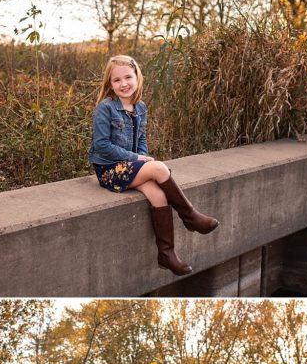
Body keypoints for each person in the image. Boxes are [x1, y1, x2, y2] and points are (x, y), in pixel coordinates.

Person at [89, 55, 219, 276]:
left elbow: (141, 139)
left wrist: (142, 157)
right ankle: (190, 217)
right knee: (159, 168)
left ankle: (166, 254)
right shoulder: (106, 108)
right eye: (117, 80)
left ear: (137, 77)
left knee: (158, 196)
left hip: (130, 167)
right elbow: (101, 146)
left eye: (128, 77)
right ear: (110, 83)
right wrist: (137, 159)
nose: (123, 84)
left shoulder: (139, 107)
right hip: (109, 171)